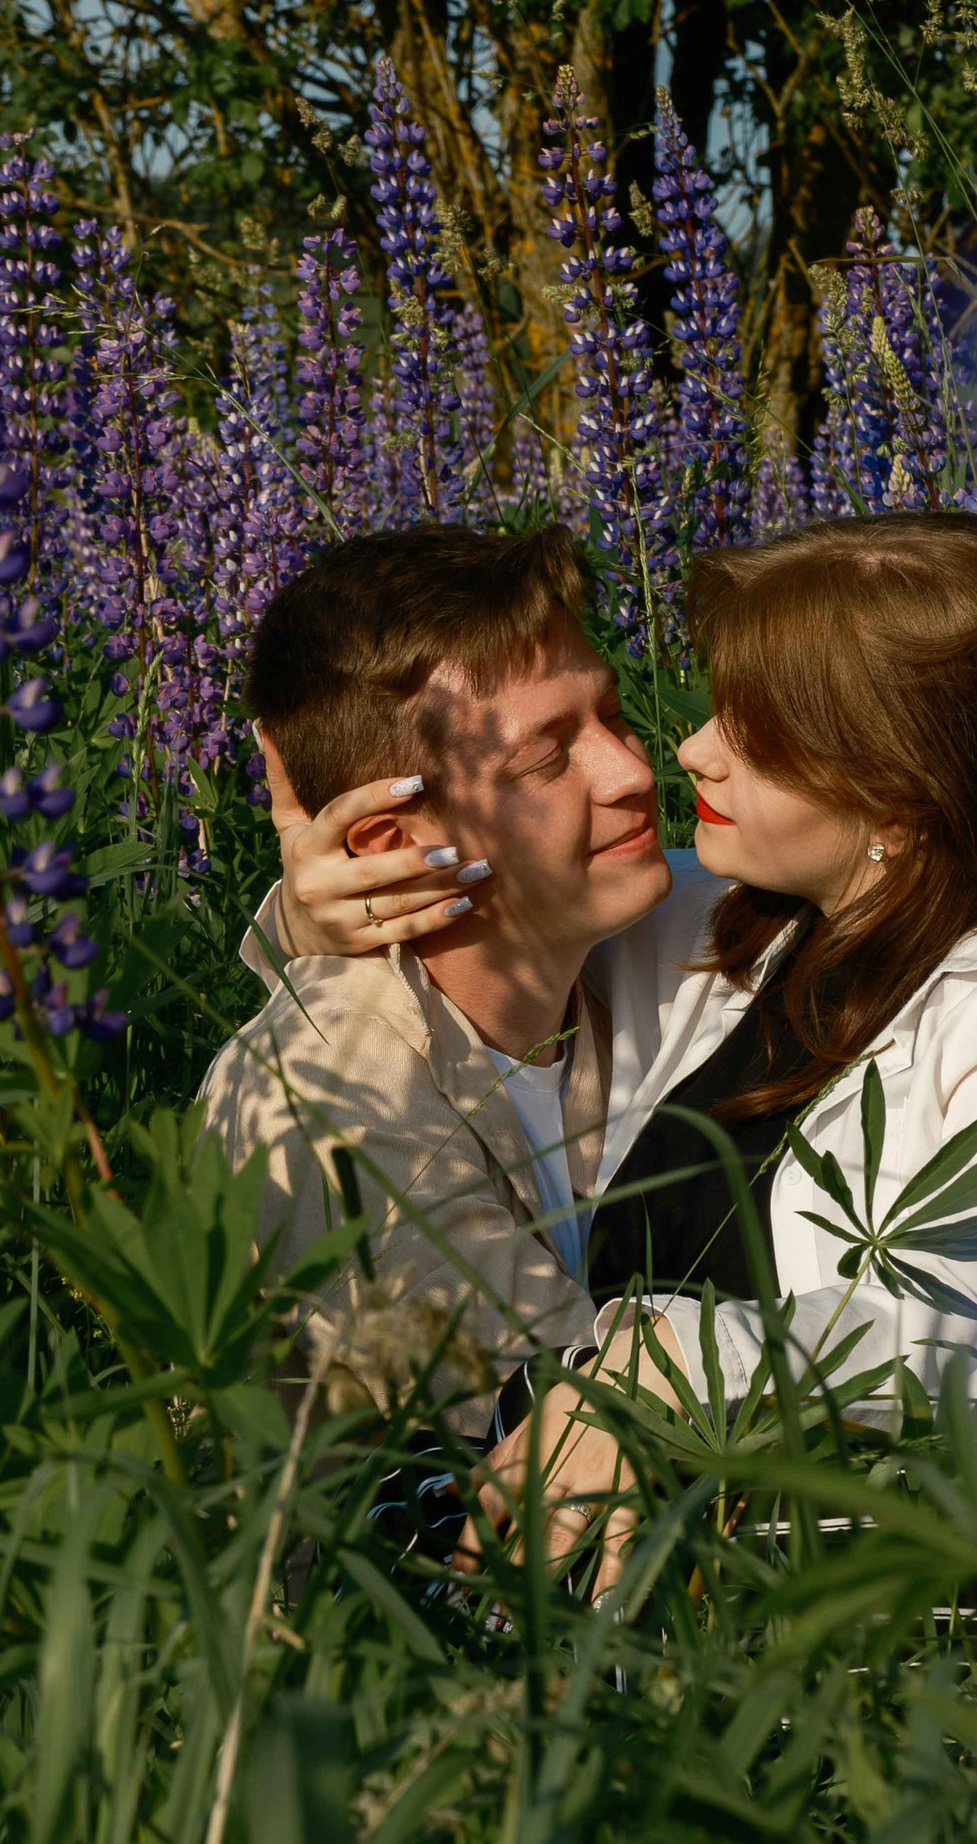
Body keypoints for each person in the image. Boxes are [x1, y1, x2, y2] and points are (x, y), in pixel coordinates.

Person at [269, 511, 977, 1522]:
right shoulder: (761, 926)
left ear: (898, 789)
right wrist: (313, 917)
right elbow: (474, 935)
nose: (679, 755)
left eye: (754, 731)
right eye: (714, 710)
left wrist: (658, 1368)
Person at [196, 522, 673, 1416]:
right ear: (389, 846)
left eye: (612, 715)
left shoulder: (635, 947)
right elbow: (556, 1443)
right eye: (548, 757)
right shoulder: (333, 1096)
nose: (631, 772)